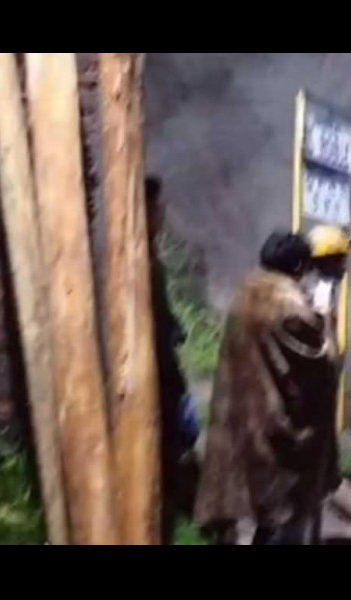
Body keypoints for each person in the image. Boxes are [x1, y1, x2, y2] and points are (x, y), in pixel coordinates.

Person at [194, 230, 341, 545]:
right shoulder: (289, 306)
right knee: (281, 518)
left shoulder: (244, 292)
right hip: (275, 431)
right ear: (299, 265)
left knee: (250, 509)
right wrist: (325, 314)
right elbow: (324, 361)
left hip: (239, 421)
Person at [145, 175, 200, 544]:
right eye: (156, 208)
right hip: (154, 386)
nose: (162, 215)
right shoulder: (139, 262)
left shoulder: (151, 259)